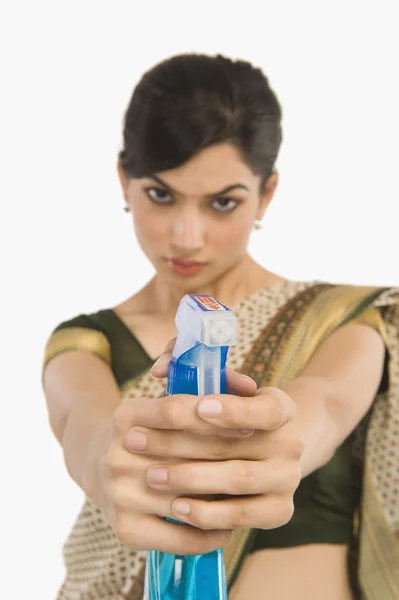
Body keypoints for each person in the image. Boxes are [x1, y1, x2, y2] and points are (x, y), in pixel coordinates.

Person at [42, 53, 399, 600]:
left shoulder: (348, 320)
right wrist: (122, 470)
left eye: (222, 203)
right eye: (161, 195)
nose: (186, 237)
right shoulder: (84, 343)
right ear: (124, 180)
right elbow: (86, 435)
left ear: (267, 194)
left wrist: (278, 443)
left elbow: (322, 407)